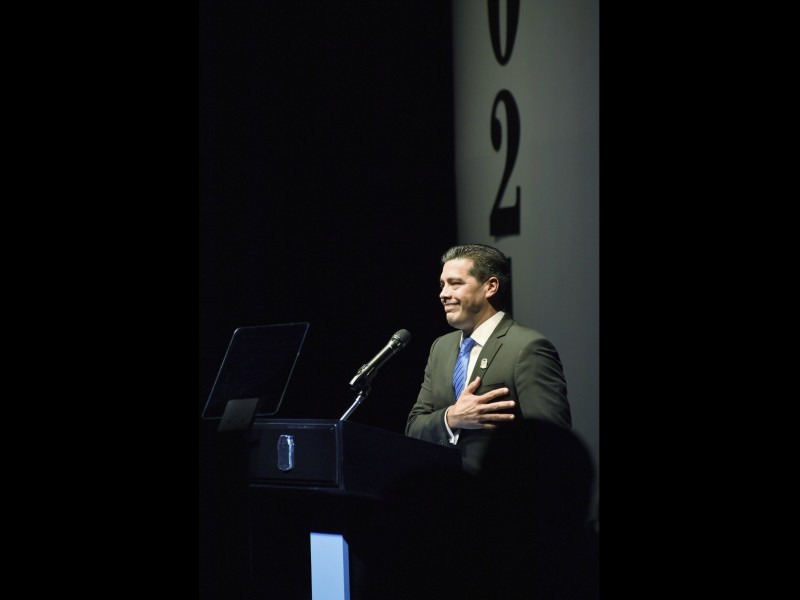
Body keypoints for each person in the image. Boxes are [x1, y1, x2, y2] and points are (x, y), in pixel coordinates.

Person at [406, 243, 572, 473]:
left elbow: (552, 439)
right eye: (442, 285)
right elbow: (414, 427)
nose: (443, 294)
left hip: (502, 491)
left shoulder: (526, 348)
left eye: (455, 283)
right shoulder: (440, 348)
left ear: (490, 287)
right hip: (443, 489)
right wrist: (451, 417)